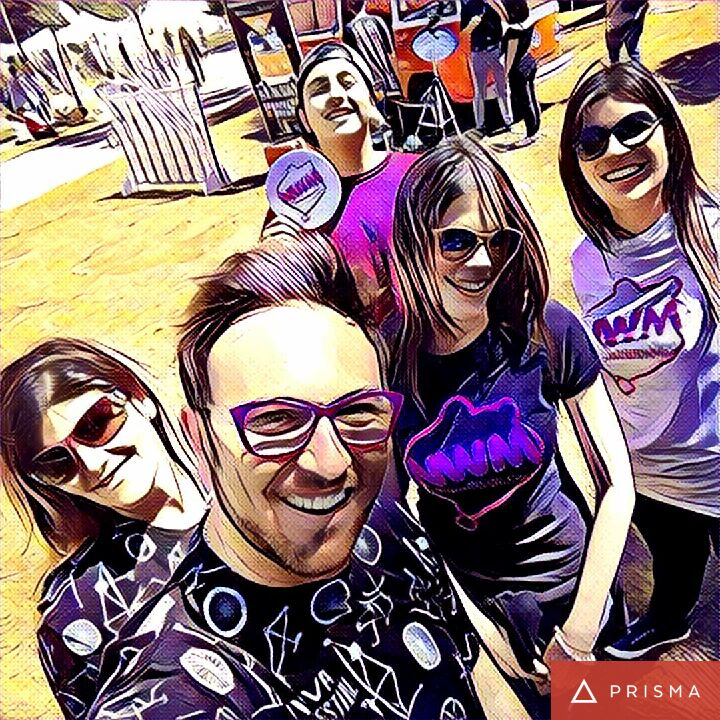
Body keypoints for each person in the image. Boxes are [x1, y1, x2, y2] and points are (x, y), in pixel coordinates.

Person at [85, 238, 485, 719]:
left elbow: (478, 678)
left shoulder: (386, 528)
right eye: (275, 421)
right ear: (199, 438)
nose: (330, 465)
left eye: (358, 412)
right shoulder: (175, 696)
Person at [390, 133, 635, 698]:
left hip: (580, 592)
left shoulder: (546, 329)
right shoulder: (388, 363)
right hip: (478, 614)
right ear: (413, 242)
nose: (483, 262)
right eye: (456, 241)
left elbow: (617, 484)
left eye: (499, 241)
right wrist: (487, 638)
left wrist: (580, 633)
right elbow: (401, 522)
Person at [560, 61, 720, 659]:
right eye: (592, 140)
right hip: (642, 473)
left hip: (715, 470)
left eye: (633, 127)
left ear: (668, 133)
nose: (615, 150)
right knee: (673, 560)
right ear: (577, 164)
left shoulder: (711, 231)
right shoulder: (587, 261)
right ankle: (669, 618)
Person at [0, 338, 207, 719]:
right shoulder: (78, 608)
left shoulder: (252, 485)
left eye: (96, 423)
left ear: (138, 397)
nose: (92, 464)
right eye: (56, 461)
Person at [264, 41, 418, 335]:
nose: (336, 95)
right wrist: (275, 265)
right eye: (319, 89)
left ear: (371, 98)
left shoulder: (420, 174)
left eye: (347, 82)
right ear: (303, 118)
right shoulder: (290, 211)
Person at [460, 0, 513, 134]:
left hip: (496, 48)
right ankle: (480, 124)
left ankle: (508, 121)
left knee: (502, 87)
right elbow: (463, 32)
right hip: (477, 51)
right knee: (479, 90)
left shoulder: (494, 3)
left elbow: (506, 20)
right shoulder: (467, 5)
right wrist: (471, 26)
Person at [504, 0, 541, 145]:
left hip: (518, 69)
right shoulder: (529, 24)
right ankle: (535, 128)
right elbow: (536, 41)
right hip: (529, 61)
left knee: (525, 101)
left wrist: (505, 74)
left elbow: (511, 56)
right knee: (531, 97)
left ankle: (531, 133)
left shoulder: (512, 32)